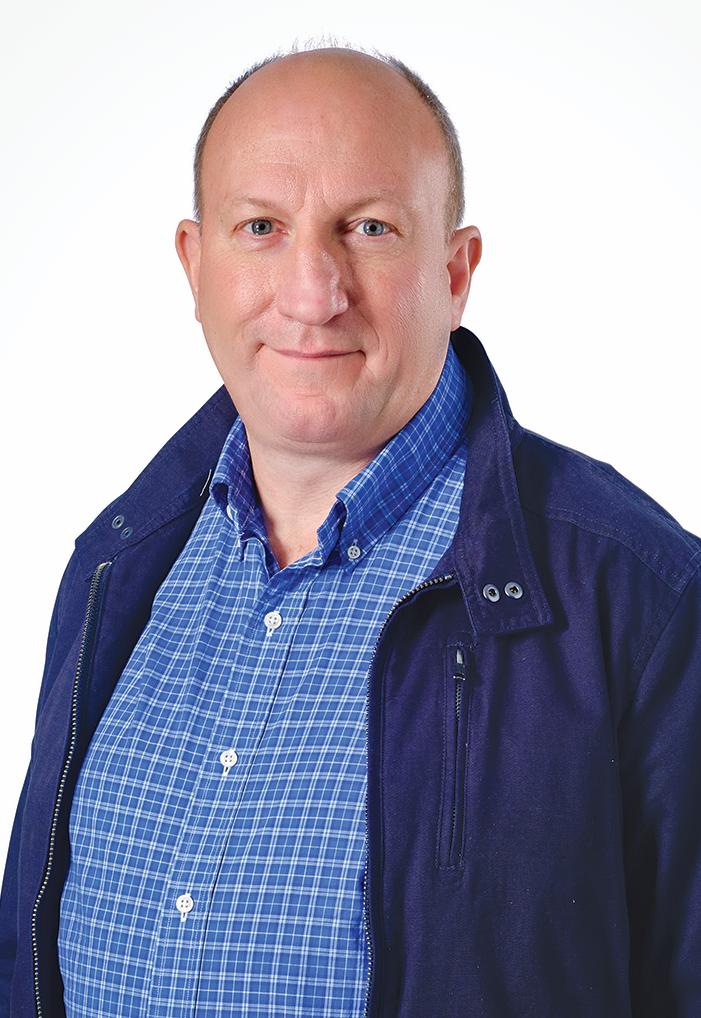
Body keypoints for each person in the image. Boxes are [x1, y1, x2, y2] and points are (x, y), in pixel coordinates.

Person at [1, 42, 700, 1018]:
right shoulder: (114, 565)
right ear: (195, 266)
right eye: (261, 227)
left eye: (368, 227)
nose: (312, 292)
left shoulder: (641, 600)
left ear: (454, 271)